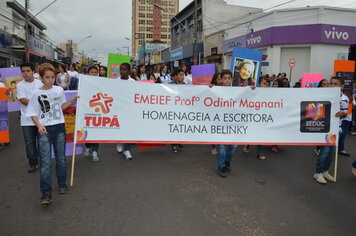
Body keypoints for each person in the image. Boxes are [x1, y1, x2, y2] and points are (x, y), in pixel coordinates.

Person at [26, 63, 78, 204]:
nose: (50, 80)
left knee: (61, 159)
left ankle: (62, 184)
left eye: (52, 77)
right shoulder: (36, 94)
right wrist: (39, 125)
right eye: (47, 77)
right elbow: (32, 113)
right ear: (41, 78)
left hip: (59, 127)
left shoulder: (59, 90)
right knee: (45, 162)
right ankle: (46, 193)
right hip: (44, 130)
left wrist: (72, 100)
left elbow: (61, 107)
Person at [16, 63, 44, 173]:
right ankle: (33, 163)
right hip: (26, 119)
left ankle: (43, 160)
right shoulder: (20, 85)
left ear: (33, 71)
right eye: (23, 71)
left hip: (40, 118)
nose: (25, 73)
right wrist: (37, 102)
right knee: (30, 142)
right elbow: (23, 100)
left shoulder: (40, 83)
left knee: (42, 141)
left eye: (28, 71)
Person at [215, 70, 238, 177]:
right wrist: (208, 89)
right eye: (225, 78)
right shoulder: (215, 90)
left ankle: (227, 161)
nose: (227, 80)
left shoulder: (237, 91)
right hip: (218, 124)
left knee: (233, 146)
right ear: (221, 79)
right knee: (221, 148)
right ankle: (221, 166)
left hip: (232, 124)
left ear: (232, 79)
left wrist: (251, 90)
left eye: (229, 78)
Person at [243, 78, 269, 160]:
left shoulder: (269, 93)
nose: (265, 86)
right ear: (259, 84)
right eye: (264, 84)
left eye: (267, 84)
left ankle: (259, 153)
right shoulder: (254, 92)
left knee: (261, 135)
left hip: (263, 118)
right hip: (254, 117)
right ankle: (248, 144)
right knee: (253, 133)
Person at [115, 63, 135, 160]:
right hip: (119, 109)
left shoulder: (133, 82)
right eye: (121, 69)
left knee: (129, 129)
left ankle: (127, 149)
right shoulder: (116, 81)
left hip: (129, 109)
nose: (122, 71)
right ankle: (119, 142)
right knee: (119, 127)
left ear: (129, 71)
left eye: (124, 69)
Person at [84, 66, 101, 161]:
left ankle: (95, 152)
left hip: (97, 112)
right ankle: (87, 148)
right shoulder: (84, 83)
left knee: (95, 133)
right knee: (86, 132)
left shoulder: (101, 83)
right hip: (86, 112)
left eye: (95, 72)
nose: (94, 74)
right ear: (88, 73)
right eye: (92, 72)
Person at [333, 77, 352, 157]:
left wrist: (341, 114)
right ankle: (319, 147)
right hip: (331, 121)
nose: (332, 86)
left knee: (342, 134)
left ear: (342, 86)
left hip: (343, 120)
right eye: (331, 83)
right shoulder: (327, 96)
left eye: (335, 84)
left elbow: (345, 113)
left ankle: (340, 149)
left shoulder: (344, 98)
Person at [169, 69, 186, 153]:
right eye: (180, 75)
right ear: (175, 77)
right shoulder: (170, 85)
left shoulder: (185, 85)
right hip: (173, 109)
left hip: (182, 109)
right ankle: (173, 144)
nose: (182, 77)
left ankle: (180, 141)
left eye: (183, 75)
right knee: (174, 127)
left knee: (180, 126)